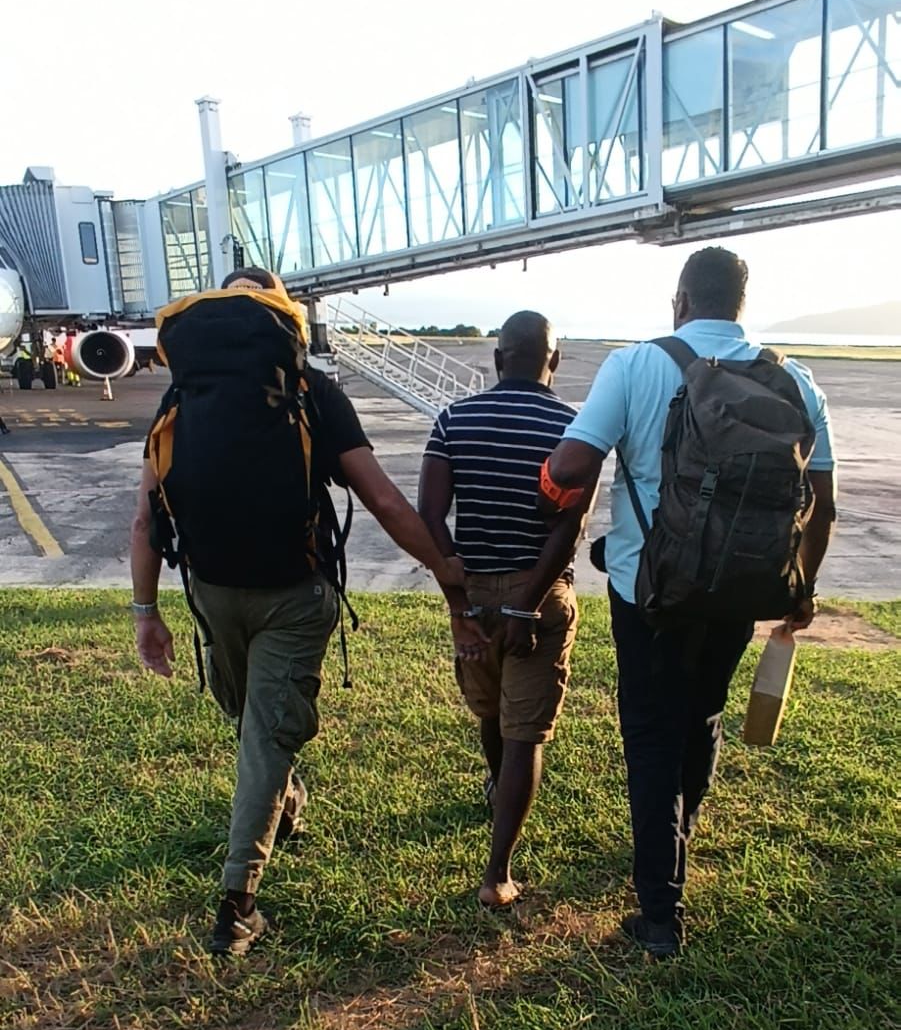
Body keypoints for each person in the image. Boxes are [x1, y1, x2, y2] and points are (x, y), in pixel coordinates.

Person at [131, 267, 465, 956]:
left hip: (211, 590)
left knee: (257, 725)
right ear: (284, 317)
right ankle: (241, 898)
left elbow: (146, 518)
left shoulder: (182, 394)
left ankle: (258, 849)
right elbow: (384, 500)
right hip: (294, 594)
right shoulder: (312, 390)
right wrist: (445, 568)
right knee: (263, 731)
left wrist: (145, 611)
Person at [542, 247, 837, 957]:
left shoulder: (634, 364)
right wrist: (801, 586)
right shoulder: (795, 379)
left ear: (679, 301)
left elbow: (572, 464)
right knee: (701, 714)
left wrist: (549, 478)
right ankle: (680, 834)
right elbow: (821, 505)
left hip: (649, 589)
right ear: (740, 304)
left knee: (650, 734)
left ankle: (659, 915)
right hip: (740, 586)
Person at [419, 310, 591, 908]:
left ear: (497, 360)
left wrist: (459, 604)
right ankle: (498, 875)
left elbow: (430, 516)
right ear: (554, 361)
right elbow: (569, 528)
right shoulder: (574, 428)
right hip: (537, 598)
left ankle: (498, 789)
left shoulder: (453, 419)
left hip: (473, 595)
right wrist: (527, 605)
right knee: (524, 736)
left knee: (492, 714)